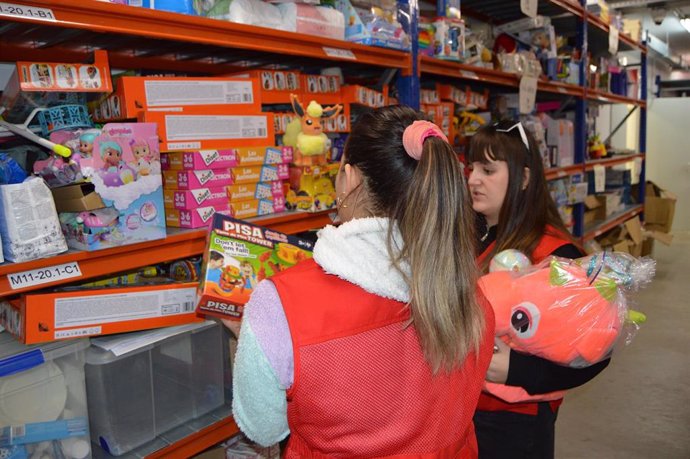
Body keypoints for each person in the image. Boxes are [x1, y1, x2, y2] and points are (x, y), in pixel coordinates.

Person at [227, 106, 495, 457]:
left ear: (349, 180)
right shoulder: (469, 293)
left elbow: (262, 428)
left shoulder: (281, 304)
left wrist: (253, 335)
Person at [466, 120, 611, 459]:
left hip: (513, 425)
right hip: (460, 411)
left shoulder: (555, 254)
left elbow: (596, 351)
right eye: (471, 167)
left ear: (525, 179)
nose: (473, 179)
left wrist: (518, 369)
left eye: (488, 170)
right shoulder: (469, 235)